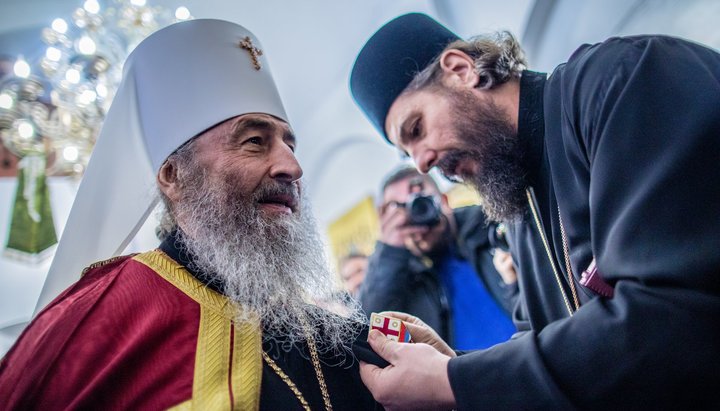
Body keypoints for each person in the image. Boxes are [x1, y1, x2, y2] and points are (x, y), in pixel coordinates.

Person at [0, 19, 381, 410]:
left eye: (290, 144)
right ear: (173, 175)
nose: (293, 167)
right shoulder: (97, 316)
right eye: (254, 141)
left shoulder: (326, 333)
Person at [349, 12, 720, 409]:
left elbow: (674, 320)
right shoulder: (517, 202)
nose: (421, 164)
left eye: (416, 129)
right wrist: (450, 363)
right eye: (406, 153)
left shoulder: (623, 81)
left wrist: (455, 380)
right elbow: (547, 338)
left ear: (461, 70)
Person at [360, 165, 517, 350]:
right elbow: (372, 328)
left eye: (419, 202)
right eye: (400, 210)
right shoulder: (402, 280)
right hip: (465, 376)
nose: (413, 216)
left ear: (444, 201)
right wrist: (390, 252)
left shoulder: (491, 230)